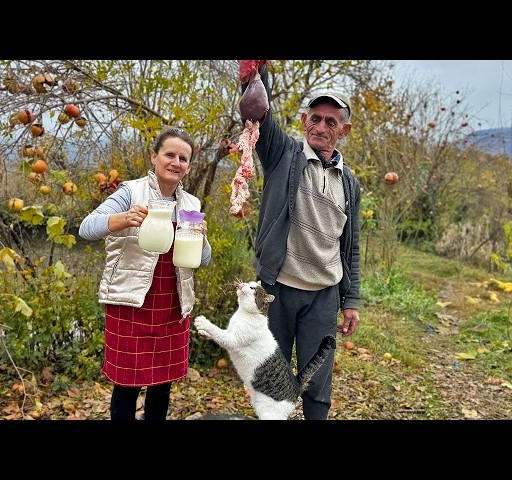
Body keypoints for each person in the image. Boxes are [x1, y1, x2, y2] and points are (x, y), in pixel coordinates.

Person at [241, 62, 361, 420]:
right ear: (304, 120)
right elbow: (259, 111)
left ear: (344, 130)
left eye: (331, 122)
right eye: (315, 118)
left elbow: (351, 248)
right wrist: (253, 73)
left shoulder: (350, 183)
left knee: (318, 385)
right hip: (277, 291)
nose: (321, 127)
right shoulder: (283, 155)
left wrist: (350, 300)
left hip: (323, 297)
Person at [79, 128, 211, 420]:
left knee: (162, 385)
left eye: (183, 158)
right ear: (154, 156)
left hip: (173, 303)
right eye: (169, 154)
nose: (176, 162)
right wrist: (123, 219)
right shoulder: (130, 192)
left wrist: (202, 237)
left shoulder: (191, 204)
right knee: (127, 384)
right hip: (132, 302)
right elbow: (86, 227)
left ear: (188, 166)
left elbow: (203, 259)